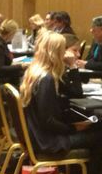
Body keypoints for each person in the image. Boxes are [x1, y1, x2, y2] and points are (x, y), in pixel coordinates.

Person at [20, 31, 97, 159]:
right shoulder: (46, 79)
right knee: (100, 136)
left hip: (36, 135)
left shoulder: (33, 72)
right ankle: (86, 172)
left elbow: (75, 93)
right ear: (55, 53)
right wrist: (73, 128)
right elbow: (48, 121)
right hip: (47, 141)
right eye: (63, 50)